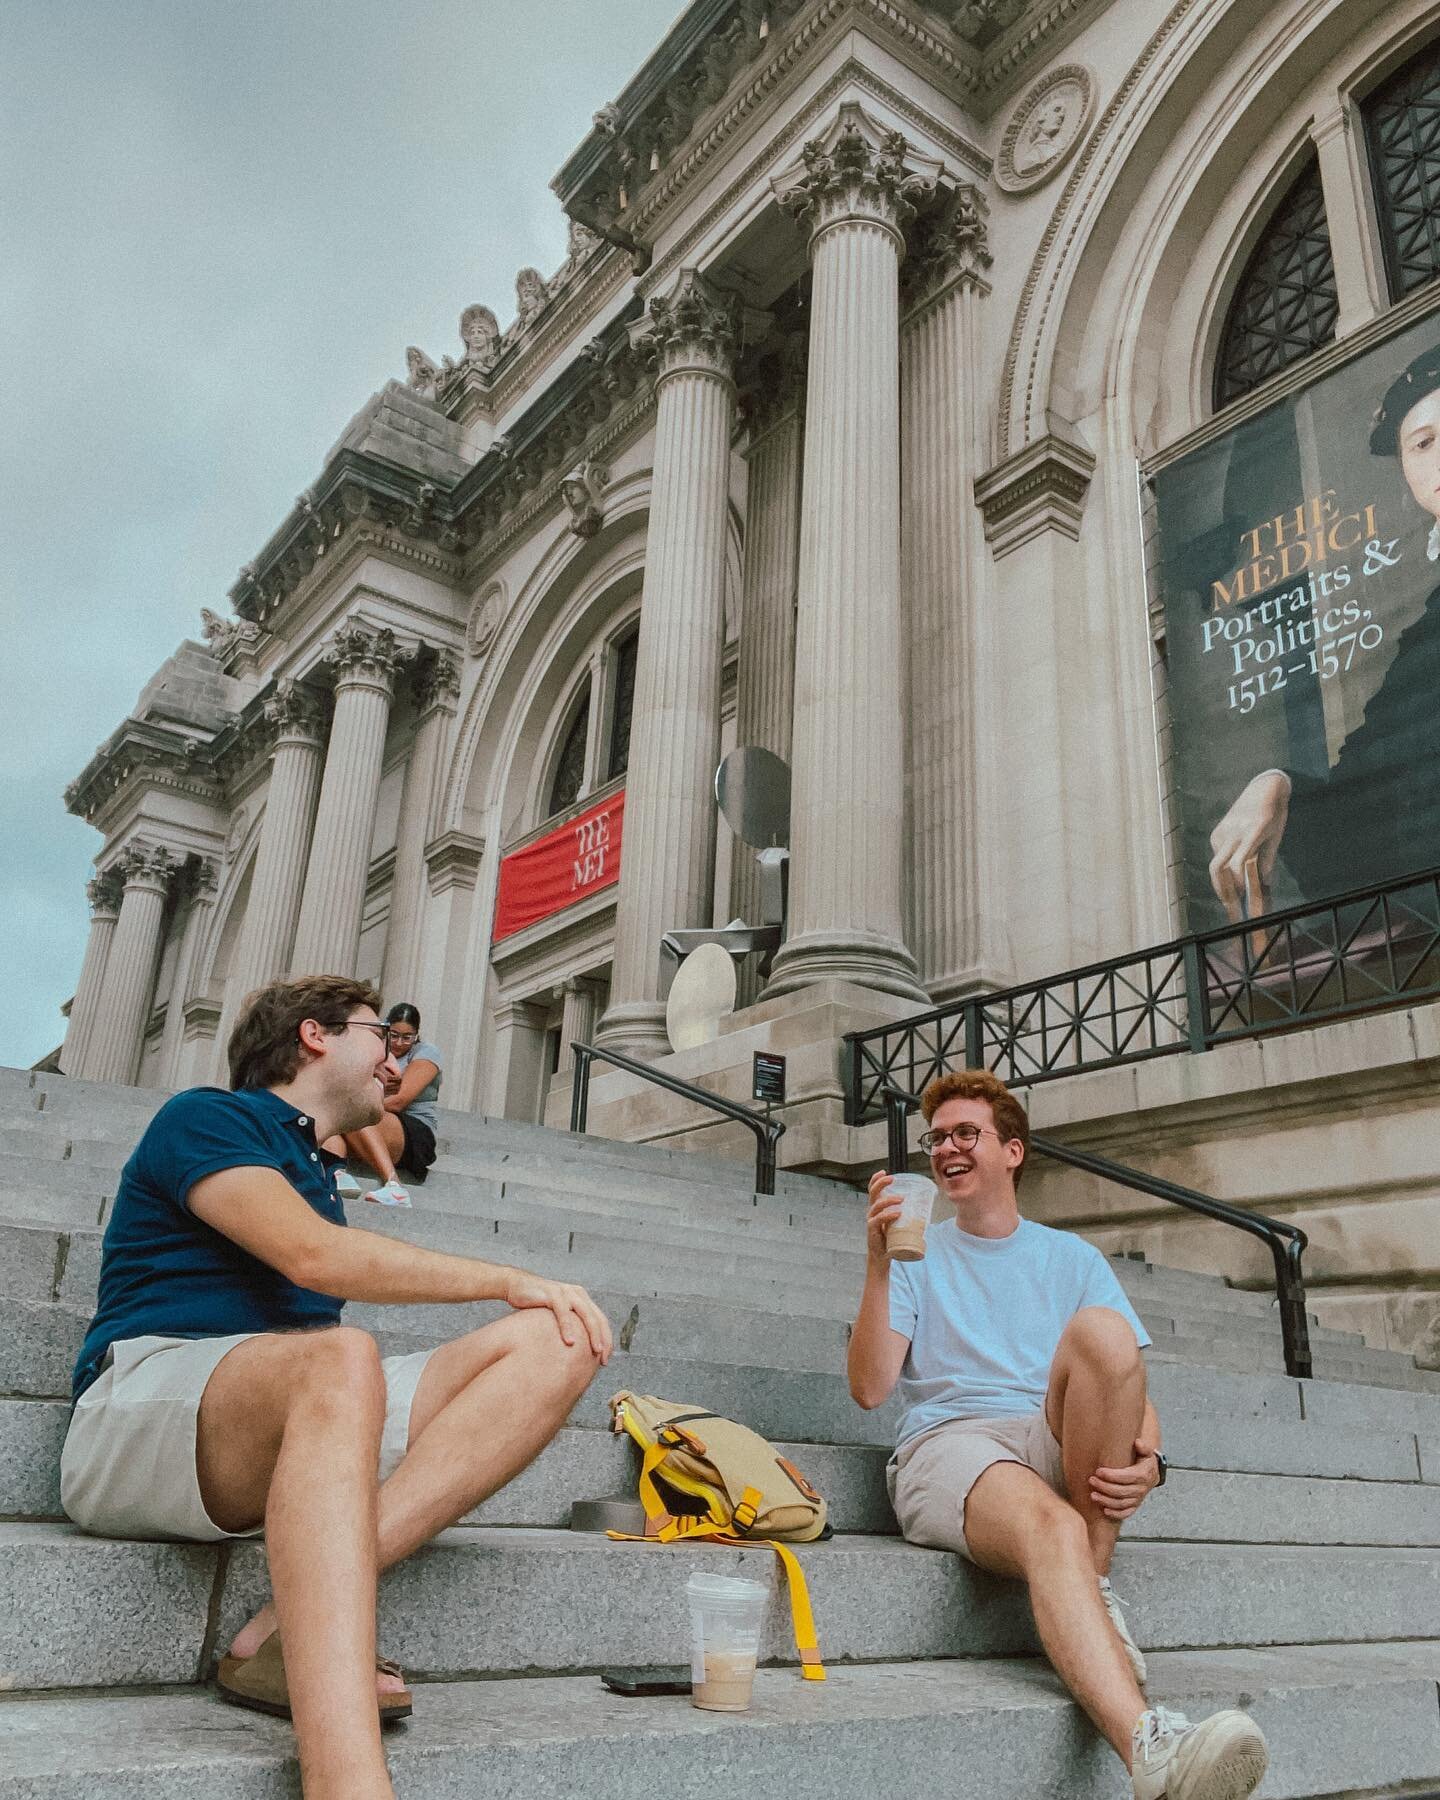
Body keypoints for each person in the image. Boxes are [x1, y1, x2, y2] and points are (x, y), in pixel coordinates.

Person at [61, 975, 611, 1800]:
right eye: (381, 1037)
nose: (398, 1060)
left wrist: (531, 1298)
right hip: (143, 1409)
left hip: (286, 1412)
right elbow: (311, 1257)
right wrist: (505, 1276)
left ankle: (282, 1627)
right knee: (340, 1354)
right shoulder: (207, 1117)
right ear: (314, 1035)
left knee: (561, 1337)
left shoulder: (317, 1169)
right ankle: (346, 1782)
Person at [848, 1068, 1268, 1800]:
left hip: (1044, 1434)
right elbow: (870, 1388)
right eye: (937, 1137)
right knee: (1052, 1527)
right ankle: (1151, 1750)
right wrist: (879, 1265)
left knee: (1105, 1335)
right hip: (950, 1444)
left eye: (966, 1133)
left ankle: (1089, 1588)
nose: (947, 1148)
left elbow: (1130, 1390)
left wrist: (1152, 1462)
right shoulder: (915, 1253)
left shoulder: (1071, 1258)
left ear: (1012, 1151)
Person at [1209, 342, 1440, 913]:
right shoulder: (1426, 637)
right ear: (1406, 470)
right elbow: (1371, 793)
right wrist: (1279, 785)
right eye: (1424, 443)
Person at [325, 1002, 442, 1206]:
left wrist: (364, 1100)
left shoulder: (425, 1052)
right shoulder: (377, 1050)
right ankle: (336, 1171)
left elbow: (400, 1101)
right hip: (374, 1120)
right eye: (394, 1034)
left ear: (416, 1036)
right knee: (330, 1113)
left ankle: (394, 1185)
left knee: (354, 1110)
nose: (399, 1042)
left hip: (413, 1130)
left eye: (408, 1037)